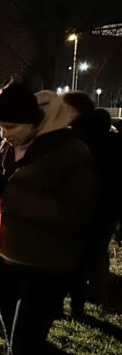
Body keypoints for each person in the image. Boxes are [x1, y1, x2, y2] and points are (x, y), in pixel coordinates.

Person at [0, 83, 93, 355]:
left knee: (26, 347)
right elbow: (1, 189)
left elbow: (75, 212)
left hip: (47, 265)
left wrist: (11, 196)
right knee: (13, 344)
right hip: (7, 260)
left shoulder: (71, 151)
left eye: (11, 127)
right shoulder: (6, 147)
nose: (4, 134)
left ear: (34, 121)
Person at [61, 92, 121, 317]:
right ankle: (96, 295)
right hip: (106, 208)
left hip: (81, 206)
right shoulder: (112, 141)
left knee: (74, 258)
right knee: (96, 254)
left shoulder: (76, 139)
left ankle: (74, 301)